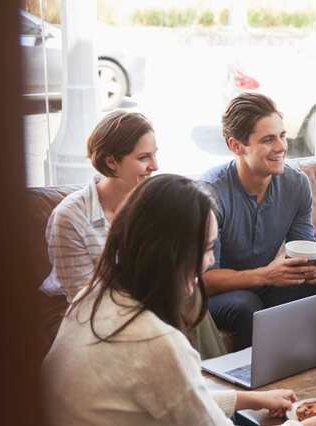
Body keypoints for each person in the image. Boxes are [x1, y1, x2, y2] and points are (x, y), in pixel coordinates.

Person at [42, 174, 316, 426]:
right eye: (207, 249)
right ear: (171, 253)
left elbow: (171, 397)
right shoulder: (154, 339)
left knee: (239, 423)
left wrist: (246, 399)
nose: (209, 262)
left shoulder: (95, 295)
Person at [41, 110, 227, 359]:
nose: (156, 165)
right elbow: (84, 298)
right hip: (88, 311)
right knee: (183, 296)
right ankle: (205, 384)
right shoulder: (71, 216)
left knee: (191, 293)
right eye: (144, 157)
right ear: (111, 162)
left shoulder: (151, 201)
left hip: (144, 297)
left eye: (155, 154)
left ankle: (214, 376)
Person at [201, 93, 316, 351]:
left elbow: (304, 245)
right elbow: (205, 280)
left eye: (282, 136)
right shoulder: (210, 193)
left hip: (267, 282)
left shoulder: (295, 183)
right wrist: (265, 275)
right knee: (246, 306)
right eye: (268, 140)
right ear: (236, 146)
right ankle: (255, 389)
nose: (282, 147)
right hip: (221, 293)